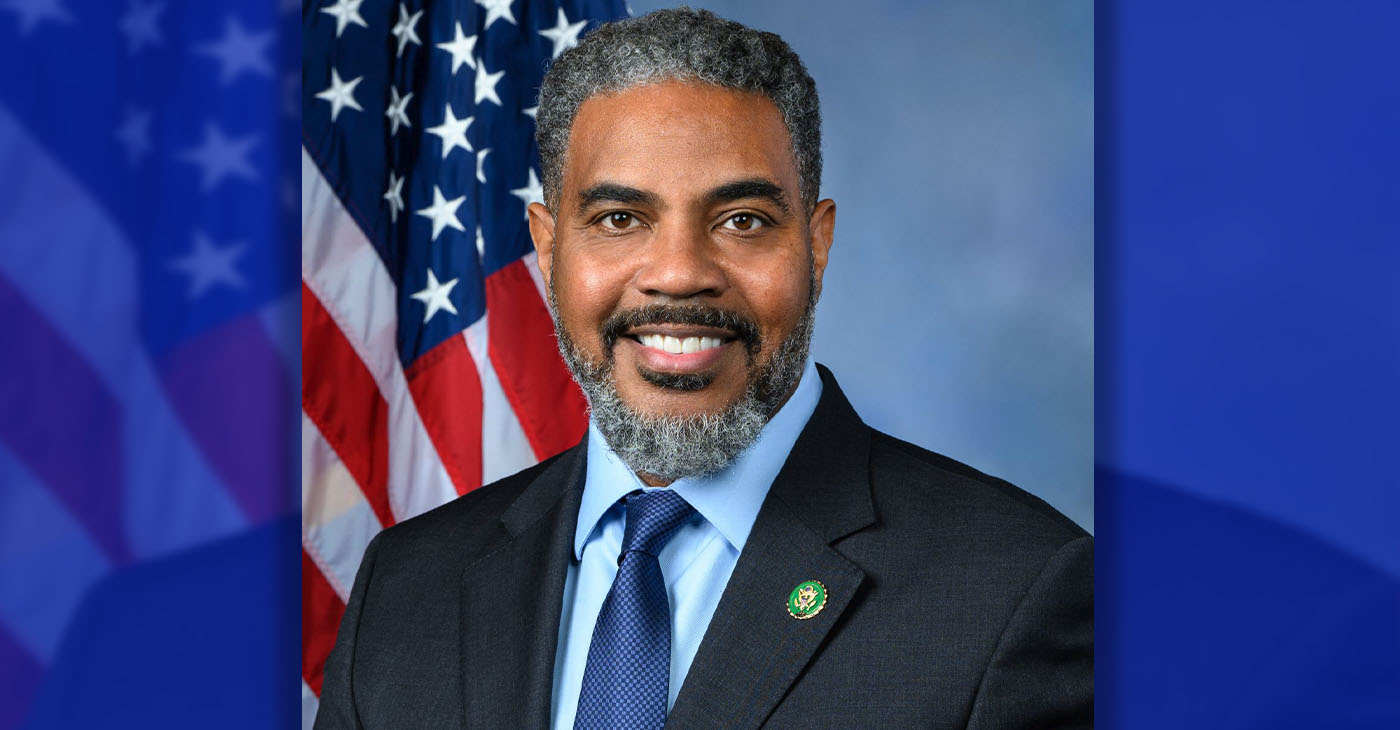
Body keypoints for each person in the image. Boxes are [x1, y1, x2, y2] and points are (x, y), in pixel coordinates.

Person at [314, 8, 1092, 729]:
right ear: (547, 248)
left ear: (815, 245)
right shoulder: (404, 588)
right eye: (621, 220)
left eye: (742, 221)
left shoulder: (1014, 590)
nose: (680, 273)